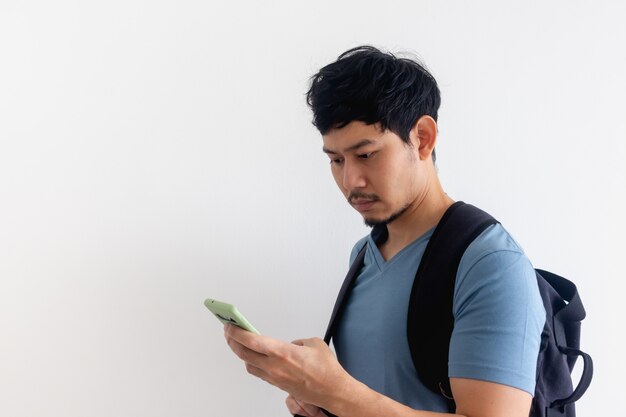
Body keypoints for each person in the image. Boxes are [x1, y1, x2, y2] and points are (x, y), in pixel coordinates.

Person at [223, 45, 546, 417]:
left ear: (422, 138)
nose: (350, 180)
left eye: (366, 154)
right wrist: (323, 402)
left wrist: (335, 392)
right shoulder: (364, 253)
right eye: (336, 160)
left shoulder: (490, 263)